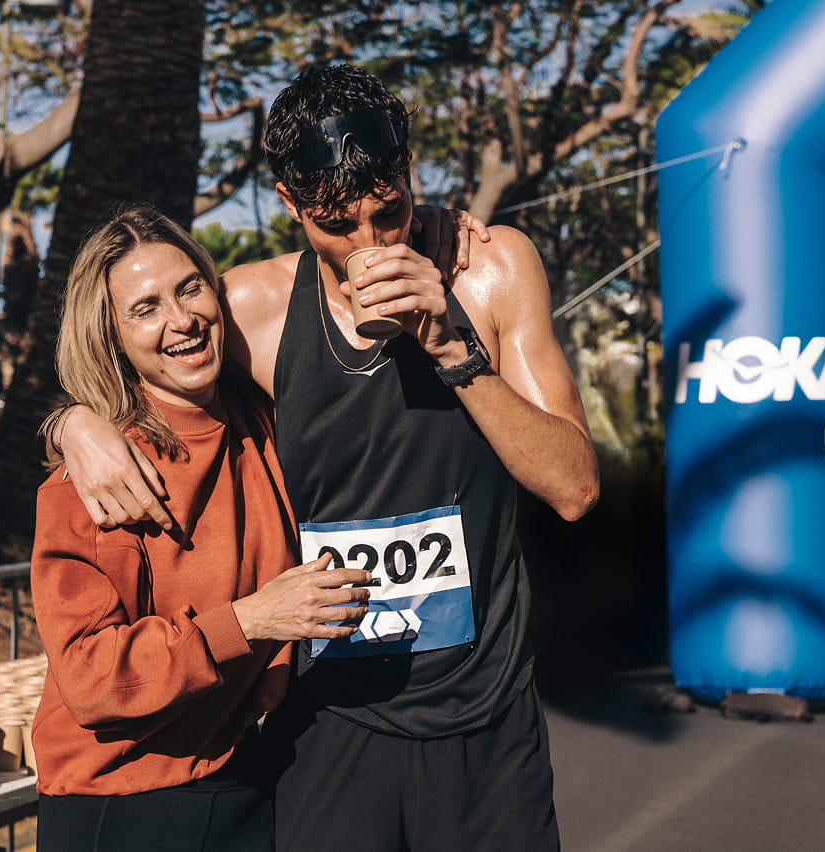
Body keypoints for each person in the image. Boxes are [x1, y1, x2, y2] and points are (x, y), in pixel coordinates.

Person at [55, 64, 599, 851]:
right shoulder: (251, 311)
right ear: (289, 206)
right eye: (336, 224)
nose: (370, 246)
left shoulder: (490, 271)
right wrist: (74, 423)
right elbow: (127, 354)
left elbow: (574, 486)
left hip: (485, 711)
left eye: (392, 212)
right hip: (331, 716)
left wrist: (450, 345)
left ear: (412, 178)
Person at [29, 202, 374, 851]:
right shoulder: (96, 482)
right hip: (124, 800)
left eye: (190, 288)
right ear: (114, 336)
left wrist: (438, 230)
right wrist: (250, 621)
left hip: (244, 769)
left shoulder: (260, 420)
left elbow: (337, 271)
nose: (181, 319)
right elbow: (92, 678)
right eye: (146, 307)